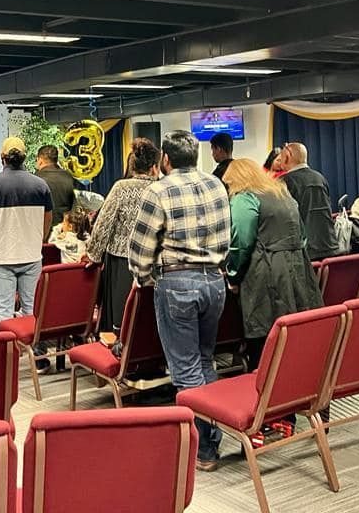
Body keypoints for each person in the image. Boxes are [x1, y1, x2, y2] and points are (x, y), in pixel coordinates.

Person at [128, 130, 230, 471]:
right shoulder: (217, 185)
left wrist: (144, 278)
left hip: (177, 283)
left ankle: (203, 448)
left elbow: (141, 248)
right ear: (198, 156)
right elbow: (226, 234)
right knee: (205, 361)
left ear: (165, 160)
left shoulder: (158, 190)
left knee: (185, 369)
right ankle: (212, 435)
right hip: (215, 282)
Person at [221, 159, 323, 370]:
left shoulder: (245, 198)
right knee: (294, 334)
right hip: (298, 269)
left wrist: (232, 275)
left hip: (265, 273)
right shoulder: (282, 194)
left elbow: (242, 242)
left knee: (265, 341)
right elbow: (302, 235)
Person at [0, 137, 53, 325]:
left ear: (2, 157)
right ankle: (31, 352)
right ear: (25, 157)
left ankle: (6, 353)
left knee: (2, 313)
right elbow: (48, 217)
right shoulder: (40, 185)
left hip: (1, 256)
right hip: (32, 255)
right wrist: (40, 240)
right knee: (31, 310)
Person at [87, 138, 161, 334]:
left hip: (122, 264)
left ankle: (120, 358)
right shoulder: (163, 188)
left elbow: (103, 225)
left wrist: (93, 255)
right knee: (149, 319)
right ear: (155, 167)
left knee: (122, 321)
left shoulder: (122, 187)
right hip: (156, 262)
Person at [278, 142, 339, 260]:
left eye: (281, 157)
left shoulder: (284, 182)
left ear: (287, 156)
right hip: (329, 246)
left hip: (304, 252)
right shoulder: (320, 178)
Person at [35, 145, 76, 238]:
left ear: (40, 160)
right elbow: (73, 206)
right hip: (64, 233)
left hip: (43, 234)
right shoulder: (68, 177)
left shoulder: (36, 179)